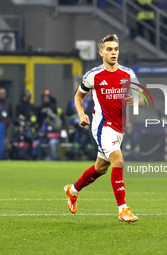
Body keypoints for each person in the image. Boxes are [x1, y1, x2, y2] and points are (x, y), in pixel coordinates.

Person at [64, 34, 144, 222]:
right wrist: (82, 114)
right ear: (101, 52)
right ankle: (123, 209)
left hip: (120, 128)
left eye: (116, 49)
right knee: (118, 160)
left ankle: (73, 190)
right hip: (102, 126)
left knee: (101, 168)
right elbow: (78, 97)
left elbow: (142, 98)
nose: (113, 52)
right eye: (109, 49)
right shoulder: (93, 76)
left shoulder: (128, 74)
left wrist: (137, 102)